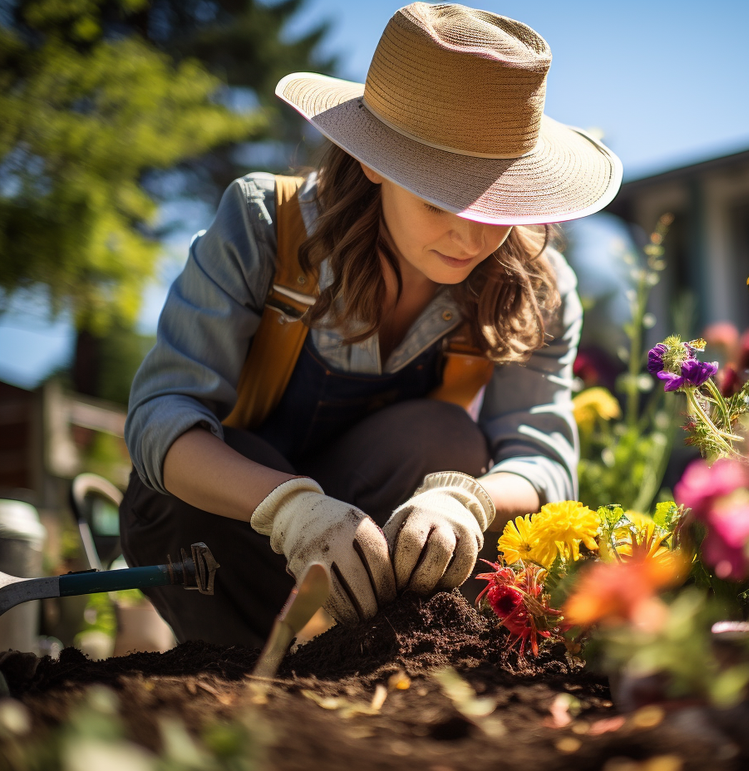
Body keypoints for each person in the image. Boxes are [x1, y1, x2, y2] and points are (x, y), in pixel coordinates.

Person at [119, 1, 623, 648]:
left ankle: (378, 660)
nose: (471, 234)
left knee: (446, 440)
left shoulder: (537, 287)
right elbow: (162, 421)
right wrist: (287, 506)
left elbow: (542, 459)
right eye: (440, 195)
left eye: (497, 201)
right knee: (221, 464)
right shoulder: (264, 226)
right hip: (218, 538)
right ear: (373, 159)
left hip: (382, 551)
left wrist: (468, 500)